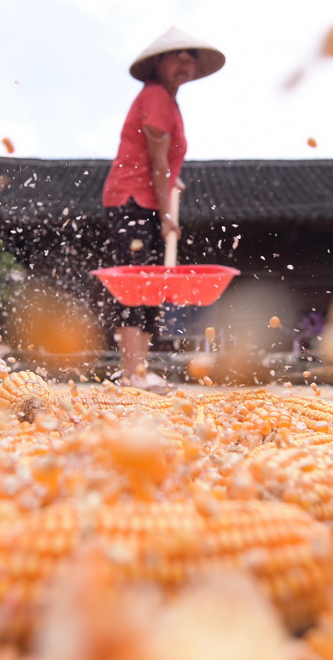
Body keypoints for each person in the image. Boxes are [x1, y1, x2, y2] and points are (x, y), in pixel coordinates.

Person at [100, 26, 225, 391]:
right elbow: (157, 165)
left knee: (151, 287)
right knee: (135, 284)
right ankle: (131, 373)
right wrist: (167, 214)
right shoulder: (155, 95)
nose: (185, 63)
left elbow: (164, 163)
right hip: (133, 200)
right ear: (158, 63)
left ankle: (139, 371)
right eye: (177, 56)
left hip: (150, 198)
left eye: (191, 58)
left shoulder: (169, 102)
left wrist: (173, 182)